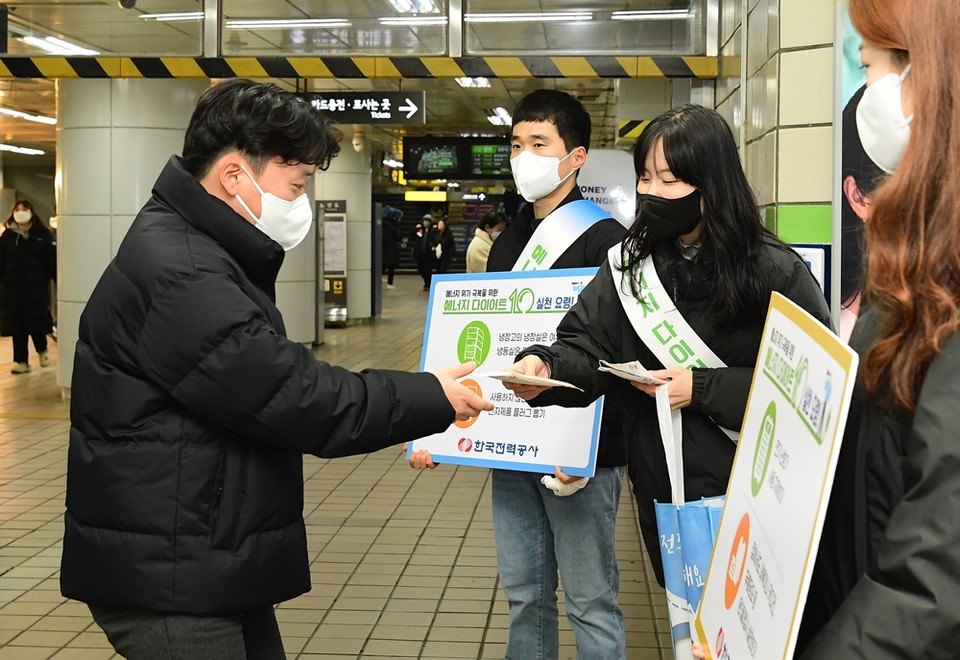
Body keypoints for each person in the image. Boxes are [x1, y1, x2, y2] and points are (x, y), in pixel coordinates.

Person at [59, 78, 493, 660]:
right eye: (298, 183)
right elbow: (291, 394)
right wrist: (429, 396)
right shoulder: (182, 273)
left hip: (203, 549)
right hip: (169, 573)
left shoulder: (199, 251)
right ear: (235, 176)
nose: (302, 202)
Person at [503, 104, 831, 590]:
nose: (651, 193)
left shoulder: (773, 271)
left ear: (711, 184)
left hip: (754, 492)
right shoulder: (631, 266)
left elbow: (815, 389)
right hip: (663, 492)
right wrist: (543, 367)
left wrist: (702, 388)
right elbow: (587, 345)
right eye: (644, 178)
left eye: (669, 181)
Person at [412, 89, 629, 660]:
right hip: (514, 448)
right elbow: (480, 343)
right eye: (516, 144)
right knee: (526, 596)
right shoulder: (509, 239)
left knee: (591, 601)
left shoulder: (606, 240)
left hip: (577, 454)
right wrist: (439, 429)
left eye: (540, 144)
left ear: (575, 157)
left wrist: (588, 448)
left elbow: (614, 352)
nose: (522, 156)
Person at [795, 1, 960, 656]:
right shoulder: (917, 261)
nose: (864, 96)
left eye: (870, 66)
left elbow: (935, 573)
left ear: (931, 76)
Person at [0, 199, 57, 374]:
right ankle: (21, 361)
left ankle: (43, 351)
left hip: (36, 287)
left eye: (24, 209)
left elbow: (51, 261)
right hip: (13, 288)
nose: (21, 212)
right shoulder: (7, 236)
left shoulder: (42, 234)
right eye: (18, 209)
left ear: (32, 212)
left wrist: (56, 279)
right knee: (17, 326)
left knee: (36, 321)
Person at [381, 205, 402, 289]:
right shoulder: (394, 227)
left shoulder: (381, 224)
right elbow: (399, 238)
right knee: (391, 268)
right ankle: (389, 283)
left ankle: (378, 279)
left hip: (382, 249)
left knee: (382, 266)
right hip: (391, 249)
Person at [413, 213, 436, 290]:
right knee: (420, 269)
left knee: (427, 269)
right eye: (424, 221)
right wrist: (415, 229)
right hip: (420, 253)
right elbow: (413, 237)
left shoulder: (433, 230)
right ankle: (428, 281)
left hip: (428, 254)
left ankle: (427, 284)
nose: (425, 222)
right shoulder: (420, 230)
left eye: (427, 221)